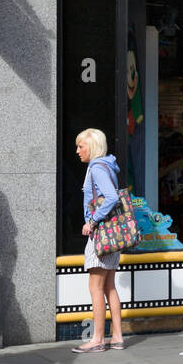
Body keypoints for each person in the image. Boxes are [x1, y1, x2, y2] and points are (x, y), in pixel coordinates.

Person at [76, 128, 126, 352]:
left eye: (81, 146)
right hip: (113, 235)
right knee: (109, 287)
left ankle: (97, 339)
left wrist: (92, 221)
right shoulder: (107, 165)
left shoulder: (96, 168)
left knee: (95, 287)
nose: (77, 151)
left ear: (92, 146)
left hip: (101, 236)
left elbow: (112, 197)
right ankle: (117, 336)